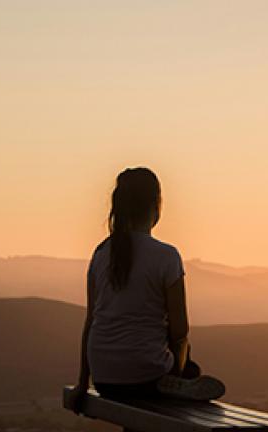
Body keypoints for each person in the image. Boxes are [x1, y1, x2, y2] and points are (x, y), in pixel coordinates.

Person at [70, 167, 225, 414]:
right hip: (146, 377)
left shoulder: (100, 254)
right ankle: (178, 381)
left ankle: (177, 378)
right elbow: (180, 331)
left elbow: (91, 322)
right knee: (189, 364)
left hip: (104, 379)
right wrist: (177, 371)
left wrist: (82, 382)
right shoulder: (166, 256)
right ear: (156, 205)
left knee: (177, 361)